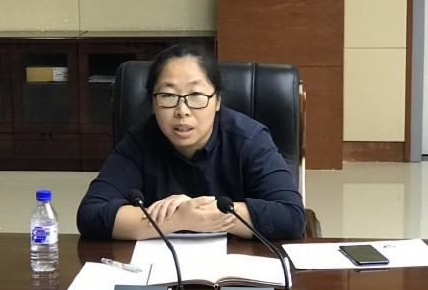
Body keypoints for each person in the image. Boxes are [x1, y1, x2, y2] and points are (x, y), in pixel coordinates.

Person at [77, 44, 305, 241]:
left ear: (217, 101)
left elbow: (291, 217)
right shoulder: (139, 142)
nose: (182, 111)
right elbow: (90, 214)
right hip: (159, 267)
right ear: (153, 103)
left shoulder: (249, 139)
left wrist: (204, 213)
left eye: (196, 95)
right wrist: (178, 218)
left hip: (234, 267)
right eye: (168, 96)